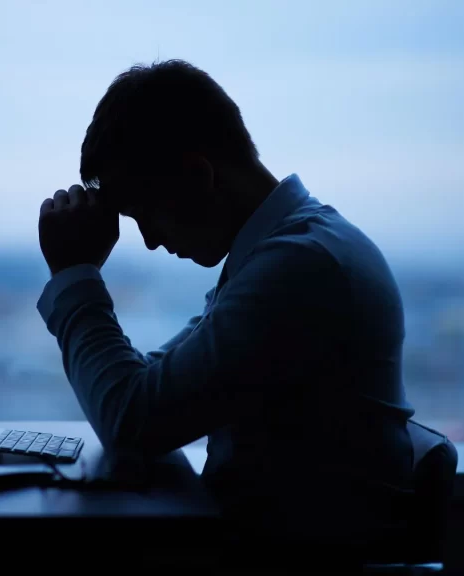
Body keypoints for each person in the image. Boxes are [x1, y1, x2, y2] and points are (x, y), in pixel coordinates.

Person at [36, 59, 416, 560]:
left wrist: (73, 274)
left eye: (146, 212)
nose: (149, 240)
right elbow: (156, 387)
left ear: (198, 176)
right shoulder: (287, 253)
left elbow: (134, 422)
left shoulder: (300, 269)